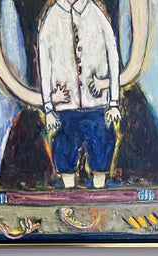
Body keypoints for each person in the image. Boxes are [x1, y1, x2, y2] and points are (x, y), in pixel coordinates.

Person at [38, 0, 121, 188]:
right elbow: (44, 66)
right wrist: (49, 107)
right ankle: (68, 191)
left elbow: (113, 57)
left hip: (97, 104)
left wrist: (114, 101)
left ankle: (99, 190)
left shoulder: (96, 14)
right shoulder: (52, 18)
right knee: (65, 147)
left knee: (101, 144)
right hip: (66, 106)